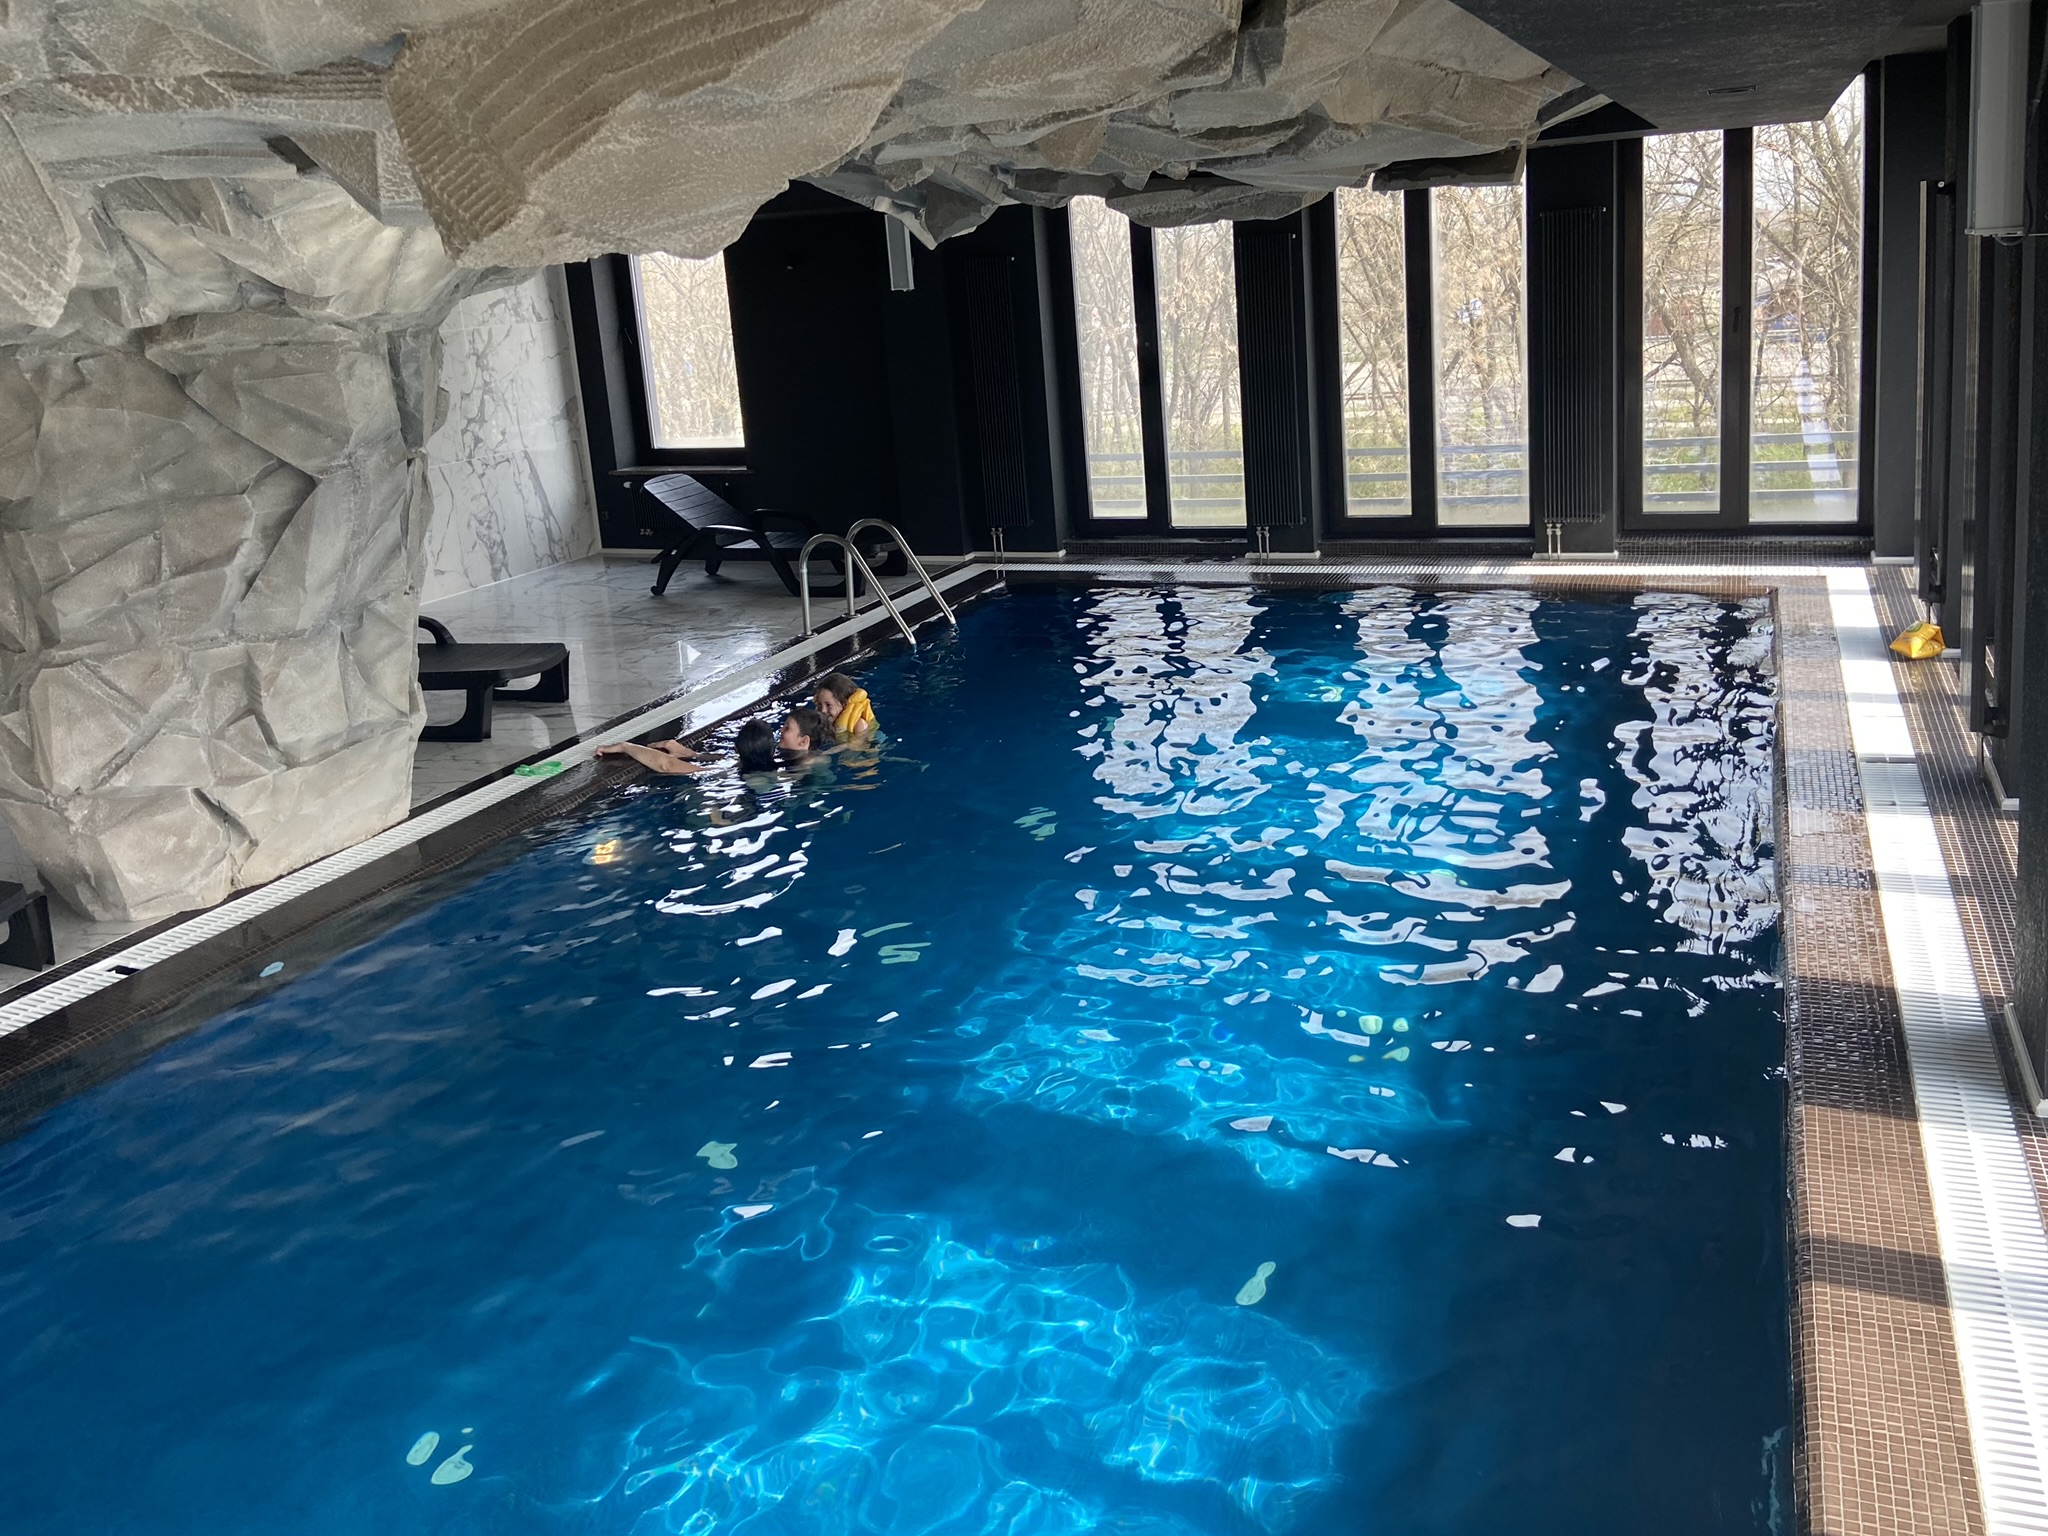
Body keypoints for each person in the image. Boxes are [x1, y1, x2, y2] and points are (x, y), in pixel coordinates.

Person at [813, 672, 878, 740]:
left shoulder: (859, 725)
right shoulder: (823, 723)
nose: (823, 710)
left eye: (828, 705)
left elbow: (857, 745)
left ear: (844, 704)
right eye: (819, 704)